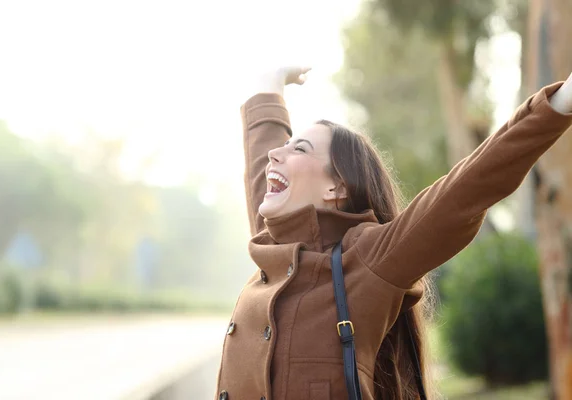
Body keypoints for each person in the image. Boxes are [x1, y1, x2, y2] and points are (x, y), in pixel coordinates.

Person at [214, 66, 572, 400]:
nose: (277, 154)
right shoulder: (271, 246)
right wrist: (269, 85)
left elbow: (464, 191)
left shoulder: (369, 258)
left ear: (336, 188)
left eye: (300, 149)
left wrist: (558, 104)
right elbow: (265, 156)